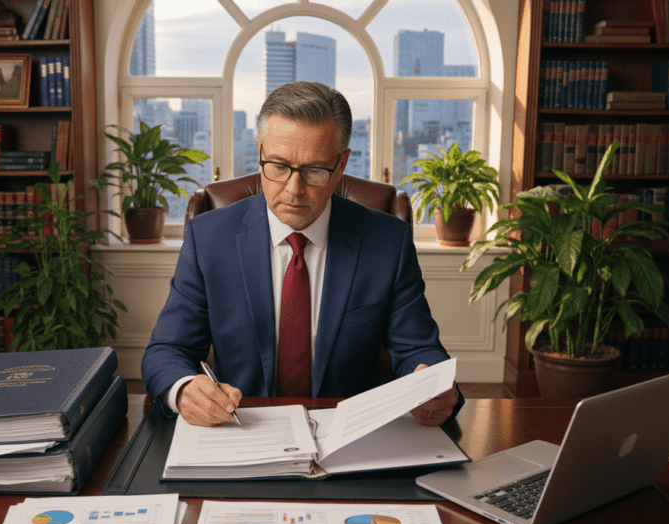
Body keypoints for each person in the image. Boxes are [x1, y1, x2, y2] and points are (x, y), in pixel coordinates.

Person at [141, 81, 462, 426]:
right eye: (278, 166)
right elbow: (166, 352)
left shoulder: (388, 242)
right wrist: (185, 389)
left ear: (341, 165)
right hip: (240, 431)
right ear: (260, 150)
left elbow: (418, 349)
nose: (294, 190)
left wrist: (432, 384)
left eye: (314, 170)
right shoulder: (209, 238)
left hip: (352, 437)